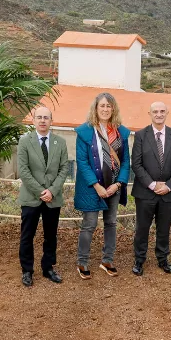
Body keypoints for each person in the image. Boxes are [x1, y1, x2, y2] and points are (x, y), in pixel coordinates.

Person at [74, 92, 130, 280]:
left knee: (111, 223)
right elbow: (82, 162)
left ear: (113, 109)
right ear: (95, 108)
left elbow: (125, 162)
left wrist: (118, 184)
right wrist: (97, 185)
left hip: (113, 186)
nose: (105, 109)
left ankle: (107, 260)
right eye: (102, 106)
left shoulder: (121, 132)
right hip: (92, 187)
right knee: (89, 225)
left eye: (109, 106)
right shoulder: (85, 131)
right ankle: (82, 262)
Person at [17, 106, 71, 286]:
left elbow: (64, 169)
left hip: (53, 198)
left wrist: (52, 191)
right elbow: (23, 171)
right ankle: (27, 270)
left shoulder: (60, 142)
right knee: (27, 235)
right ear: (33, 120)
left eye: (46, 117)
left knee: (51, 235)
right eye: (39, 117)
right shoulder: (25, 141)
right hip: (31, 197)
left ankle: (48, 268)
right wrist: (41, 191)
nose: (42, 120)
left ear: (51, 120)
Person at [130, 101, 171, 275]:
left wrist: (168, 185)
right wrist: (153, 185)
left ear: (167, 113)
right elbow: (136, 164)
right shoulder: (140, 136)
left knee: (164, 228)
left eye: (162, 111)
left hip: (168, 193)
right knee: (142, 228)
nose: (159, 114)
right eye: (155, 111)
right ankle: (139, 260)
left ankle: (163, 259)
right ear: (150, 113)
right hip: (145, 192)